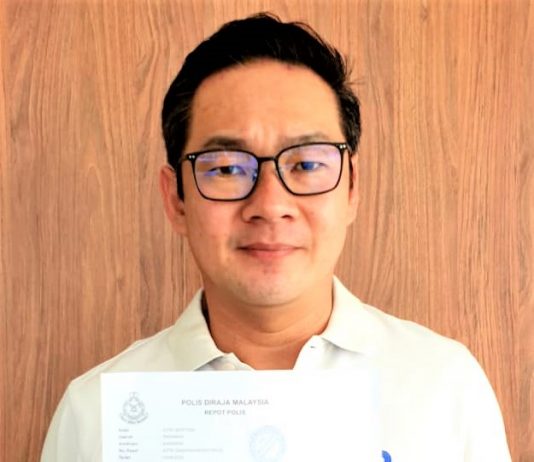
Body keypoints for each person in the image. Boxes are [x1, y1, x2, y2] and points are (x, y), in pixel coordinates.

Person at [41, 13, 511, 461]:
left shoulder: (446, 387)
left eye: (306, 163)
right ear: (176, 199)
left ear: (351, 188)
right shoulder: (94, 414)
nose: (269, 204)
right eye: (227, 168)